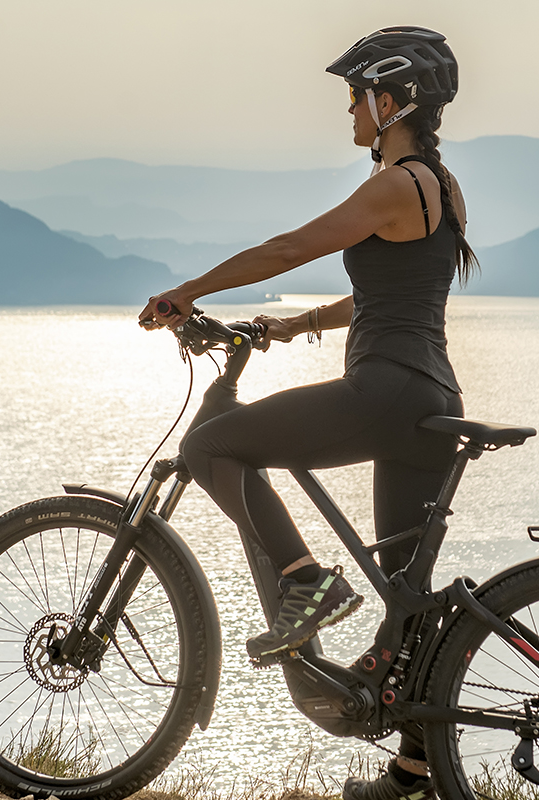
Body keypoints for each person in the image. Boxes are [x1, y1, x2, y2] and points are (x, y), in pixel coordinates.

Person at [139, 26, 477, 800]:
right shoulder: (444, 187)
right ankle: (411, 774)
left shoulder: (393, 185)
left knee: (213, 446)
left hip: (385, 391)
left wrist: (190, 292)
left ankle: (303, 580)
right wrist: (294, 326)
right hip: (433, 398)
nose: (350, 113)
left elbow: (293, 246)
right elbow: (390, 294)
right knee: (407, 594)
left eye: (355, 98)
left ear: (390, 102)